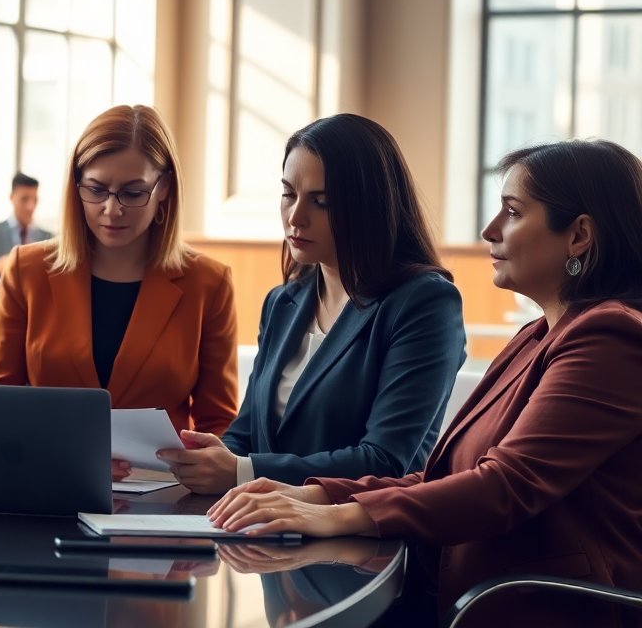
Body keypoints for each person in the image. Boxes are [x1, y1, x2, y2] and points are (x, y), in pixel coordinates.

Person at [208, 140, 642, 627]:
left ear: (579, 235)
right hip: (468, 592)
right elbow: (450, 475)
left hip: (539, 608)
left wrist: (335, 516)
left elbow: (506, 486)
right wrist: (318, 495)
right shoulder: (539, 334)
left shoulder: (610, 337)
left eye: (512, 212)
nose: (489, 229)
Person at [156, 114, 466, 493]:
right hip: (263, 526)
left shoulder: (424, 303)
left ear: (370, 206)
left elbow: (385, 460)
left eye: (321, 202)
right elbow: (247, 433)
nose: (295, 217)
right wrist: (206, 457)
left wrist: (242, 471)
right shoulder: (283, 302)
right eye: (289, 194)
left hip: (360, 535)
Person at [0, 104, 239, 480]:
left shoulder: (208, 282)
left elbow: (217, 421)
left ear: (164, 189)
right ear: (77, 186)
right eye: (96, 189)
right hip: (44, 486)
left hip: (164, 496)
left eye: (132, 192)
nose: (111, 209)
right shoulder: (27, 270)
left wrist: (208, 470)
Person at [0, 172, 52, 312]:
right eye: (24, 199)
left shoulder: (47, 237)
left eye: (34, 200)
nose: (30, 206)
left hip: (35, 315)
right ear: (11, 197)